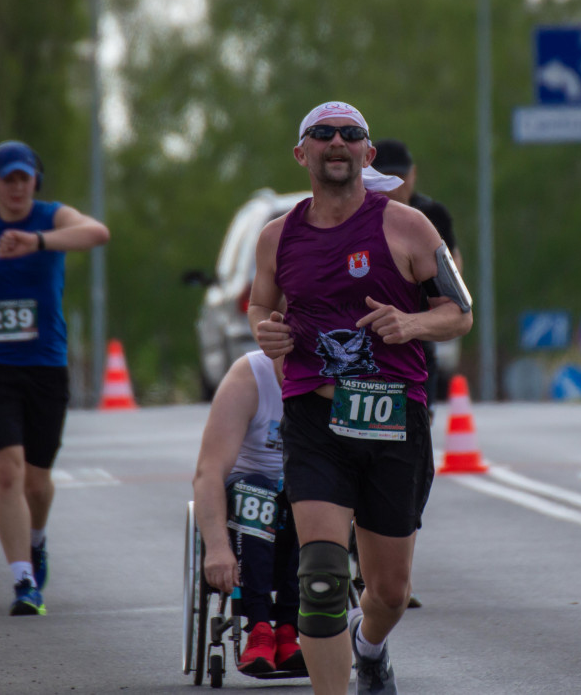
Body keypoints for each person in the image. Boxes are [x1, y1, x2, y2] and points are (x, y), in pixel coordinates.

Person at [248, 102, 473, 695]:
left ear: (368, 155)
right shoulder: (276, 237)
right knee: (320, 577)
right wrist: (267, 331)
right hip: (315, 417)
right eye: (323, 134)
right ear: (303, 154)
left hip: (393, 419)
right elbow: (259, 305)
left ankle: (369, 646)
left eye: (352, 134)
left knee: (390, 591)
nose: (337, 142)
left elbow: (460, 312)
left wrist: (411, 324)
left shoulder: (409, 227)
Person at [0, 140, 109, 617]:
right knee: (6, 471)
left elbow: (97, 233)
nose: (16, 187)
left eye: (24, 178)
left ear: (35, 180)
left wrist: (37, 241)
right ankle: (23, 581)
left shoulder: (51, 217)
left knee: (37, 482)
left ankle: (36, 542)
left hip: (45, 367)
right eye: (7, 178)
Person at [192, 351, 304, 676]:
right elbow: (208, 471)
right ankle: (259, 629)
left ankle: (288, 630)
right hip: (246, 492)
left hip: (301, 489)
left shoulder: (337, 377)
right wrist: (215, 548)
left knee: (308, 490)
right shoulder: (248, 377)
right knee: (256, 490)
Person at [371, 138, 463, 417]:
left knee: (418, 418)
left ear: (412, 175)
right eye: (386, 177)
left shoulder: (432, 214)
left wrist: (441, 306)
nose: (395, 185)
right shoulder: (357, 215)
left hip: (417, 327)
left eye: (399, 176)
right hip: (366, 329)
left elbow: (454, 266)